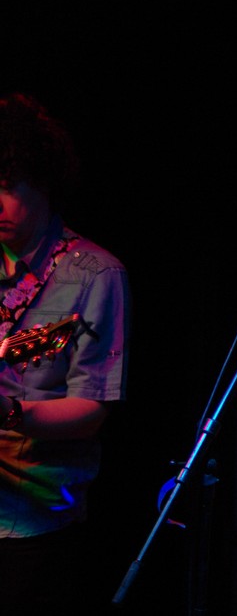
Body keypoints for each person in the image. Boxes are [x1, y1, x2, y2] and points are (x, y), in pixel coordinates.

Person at [0, 92, 131, 614]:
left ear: (44, 180)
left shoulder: (95, 275)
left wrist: (11, 413)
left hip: (33, 526)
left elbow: (92, 410)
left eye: (8, 186)